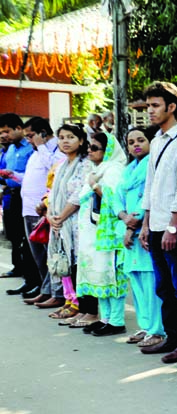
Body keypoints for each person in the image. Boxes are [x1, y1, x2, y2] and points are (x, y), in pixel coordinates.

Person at [139, 81, 177, 363]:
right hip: (156, 223)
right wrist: (145, 223)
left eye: (155, 106)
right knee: (162, 286)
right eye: (148, 106)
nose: (150, 111)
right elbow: (151, 186)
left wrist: (173, 226)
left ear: (171, 107)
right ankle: (171, 336)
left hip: (174, 225)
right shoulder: (157, 140)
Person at [111, 126, 165, 345]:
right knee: (136, 281)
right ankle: (145, 326)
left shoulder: (152, 166)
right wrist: (124, 217)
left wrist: (136, 222)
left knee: (151, 282)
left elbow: (153, 196)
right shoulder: (127, 171)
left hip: (145, 228)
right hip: (128, 231)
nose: (136, 145)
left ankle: (157, 329)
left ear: (150, 142)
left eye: (141, 140)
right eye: (131, 142)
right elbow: (116, 198)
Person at [76, 132, 129, 336]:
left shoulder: (114, 169)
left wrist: (94, 185)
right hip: (95, 232)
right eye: (89, 146)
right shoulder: (98, 169)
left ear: (107, 150)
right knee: (100, 276)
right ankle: (105, 318)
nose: (90, 150)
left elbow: (114, 199)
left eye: (95, 147)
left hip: (110, 233)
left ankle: (116, 321)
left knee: (112, 276)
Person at [44, 124, 94, 321]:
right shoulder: (61, 165)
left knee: (76, 263)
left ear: (81, 140)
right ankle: (69, 300)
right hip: (59, 222)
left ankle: (80, 305)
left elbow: (77, 195)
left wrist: (60, 217)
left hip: (75, 222)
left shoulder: (85, 164)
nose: (65, 141)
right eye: (62, 137)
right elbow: (51, 193)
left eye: (70, 137)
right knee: (63, 261)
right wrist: (51, 216)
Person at [19, 117, 64, 305]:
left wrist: (42, 146)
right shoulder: (36, 152)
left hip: (45, 210)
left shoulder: (54, 149)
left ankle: (57, 293)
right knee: (38, 254)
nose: (29, 140)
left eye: (31, 136)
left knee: (50, 254)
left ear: (43, 133)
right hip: (28, 208)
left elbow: (54, 168)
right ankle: (46, 289)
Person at [0, 113, 37, 291]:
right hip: (11, 195)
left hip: (27, 196)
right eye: (0, 132)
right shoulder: (10, 150)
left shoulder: (30, 149)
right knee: (14, 234)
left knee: (28, 236)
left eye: (6, 131)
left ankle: (32, 275)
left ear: (19, 129)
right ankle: (18, 268)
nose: (3, 135)